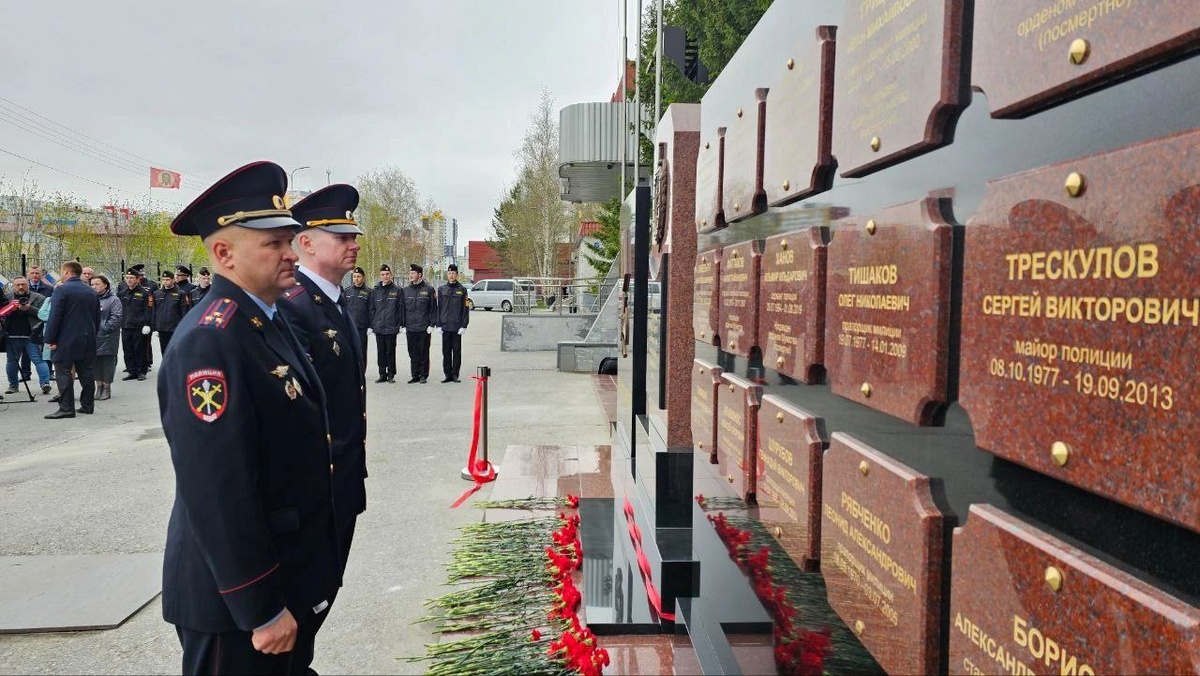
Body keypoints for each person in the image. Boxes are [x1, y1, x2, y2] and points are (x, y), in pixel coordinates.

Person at [158, 161, 340, 675]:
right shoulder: (211, 340)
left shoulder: (266, 319)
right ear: (223, 253)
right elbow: (217, 488)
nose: (290, 254)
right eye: (274, 244)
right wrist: (259, 606)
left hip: (284, 578)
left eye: (290, 241)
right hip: (235, 607)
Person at [280, 184, 368, 576]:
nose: (354, 245)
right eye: (342, 237)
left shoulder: (333, 298)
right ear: (306, 243)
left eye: (354, 237)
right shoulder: (295, 305)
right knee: (310, 592)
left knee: (327, 585)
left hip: (342, 478)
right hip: (317, 485)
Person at [43, 261, 100, 419]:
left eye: (62, 271)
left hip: (65, 339)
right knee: (86, 372)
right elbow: (97, 317)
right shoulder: (91, 291)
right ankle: (88, 405)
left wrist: (50, 339)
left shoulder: (62, 290)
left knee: (62, 371)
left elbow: (55, 317)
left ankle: (67, 408)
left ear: (67, 272)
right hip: (87, 338)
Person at [2, 276, 52, 394]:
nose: (21, 287)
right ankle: (13, 385)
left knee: (38, 360)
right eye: (18, 285)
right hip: (12, 335)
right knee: (12, 362)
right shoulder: (7, 298)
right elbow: (2, 315)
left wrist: (29, 308)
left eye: (23, 284)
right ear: (13, 286)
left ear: (27, 285)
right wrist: (10, 310)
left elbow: (44, 314)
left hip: (32, 334)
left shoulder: (38, 297)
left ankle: (45, 384)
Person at [401, 263, 437, 384]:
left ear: (420, 274)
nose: (410, 275)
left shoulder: (428, 289)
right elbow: (403, 309)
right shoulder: (405, 290)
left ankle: (423, 375)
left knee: (423, 352)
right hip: (410, 327)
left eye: (413, 273)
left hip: (423, 327)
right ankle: (414, 375)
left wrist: (432, 325)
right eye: (410, 273)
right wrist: (403, 324)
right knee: (412, 352)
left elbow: (433, 308)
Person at [368, 263, 403, 383]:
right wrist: (373, 323)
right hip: (379, 326)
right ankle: (382, 374)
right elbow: (372, 309)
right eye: (383, 274)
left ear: (391, 275)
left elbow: (400, 309)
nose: (385, 276)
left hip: (391, 326)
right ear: (380, 276)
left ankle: (391, 374)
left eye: (387, 274)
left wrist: (400, 324)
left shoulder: (397, 290)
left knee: (390, 351)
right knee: (381, 351)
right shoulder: (375, 291)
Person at [435, 264, 470, 383]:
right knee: (446, 352)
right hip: (445, 326)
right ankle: (447, 375)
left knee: (456, 351)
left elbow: (465, 309)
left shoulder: (462, 290)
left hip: (456, 326)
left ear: (457, 275)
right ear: (447, 274)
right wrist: (438, 324)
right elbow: (439, 308)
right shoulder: (442, 290)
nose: (451, 275)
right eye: (449, 273)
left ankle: (455, 374)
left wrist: (464, 325)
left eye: (454, 273)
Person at [118, 269, 153, 381]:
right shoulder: (122, 293)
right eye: (127, 278)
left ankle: (141, 371)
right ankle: (131, 371)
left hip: (139, 327)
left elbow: (149, 309)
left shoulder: (145, 293)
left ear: (137, 279)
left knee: (140, 350)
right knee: (127, 350)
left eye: (132, 278)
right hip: (126, 326)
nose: (129, 280)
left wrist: (147, 324)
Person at [91, 274, 123, 400]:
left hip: (108, 336)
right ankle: (98, 386)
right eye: (92, 284)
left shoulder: (113, 300)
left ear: (105, 285)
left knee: (107, 362)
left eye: (97, 284)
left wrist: (104, 328)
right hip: (92, 336)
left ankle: (106, 387)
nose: (94, 287)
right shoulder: (90, 298)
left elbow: (116, 317)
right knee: (95, 362)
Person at [153, 269, 192, 353]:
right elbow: (154, 311)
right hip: (162, 328)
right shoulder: (157, 294)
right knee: (164, 351)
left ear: (173, 280)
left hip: (175, 328)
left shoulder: (181, 294)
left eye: (167, 279)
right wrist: (155, 327)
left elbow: (184, 311)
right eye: (163, 280)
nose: (165, 282)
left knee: (175, 351)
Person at [342, 266, 371, 374]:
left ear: (363, 278)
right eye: (354, 277)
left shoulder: (368, 292)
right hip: (350, 327)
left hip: (362, 327)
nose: (356, 279)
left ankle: (361, 372)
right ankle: (352, 371)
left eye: (358, 277)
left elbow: (371, 309)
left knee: (362, 351)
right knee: (351, 351)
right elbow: (343, 309)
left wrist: (370, 326)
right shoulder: (347, 292)